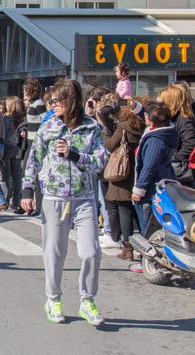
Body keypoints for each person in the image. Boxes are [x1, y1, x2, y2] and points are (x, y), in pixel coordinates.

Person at [21, 79, 108, 327]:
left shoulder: (91, 128)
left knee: (91, 252)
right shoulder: (49, 127)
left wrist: (75, 155)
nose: (54, 105)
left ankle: (87, 300)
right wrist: (27, 190)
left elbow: (101, 162)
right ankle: (53, 299)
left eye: (59, 101)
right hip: (54, 197)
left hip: (84, 198)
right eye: (53, 101)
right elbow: (34, 158)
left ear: (72, 101)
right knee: (54, 253)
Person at [130, 103, 179, 272]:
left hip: (151, 190)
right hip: (159, 186)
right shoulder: (163, 132)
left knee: (148, 227)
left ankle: (149, 261)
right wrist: (136, 107)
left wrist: (139, 188)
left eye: (146, 116)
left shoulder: (156, 140)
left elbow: (149, 167)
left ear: (151, 121)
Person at [103, 103, 145, 261]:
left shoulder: (123, 126)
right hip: (136, 169)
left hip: (122, 170)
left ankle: (127, 247)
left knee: (124, 209)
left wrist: (105, 133)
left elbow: (110, 145)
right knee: (135, 210)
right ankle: (140, 244)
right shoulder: (144, 126)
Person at [156, 85, 195, 186]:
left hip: (178, 173)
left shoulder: (184, 120)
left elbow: (190, 145)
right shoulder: (172, 118)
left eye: (162, 103)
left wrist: (173, 158)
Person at [22, 78, 47, 216]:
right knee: (29, 172)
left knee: (35, 174)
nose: (24, 92)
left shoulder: (38, 104)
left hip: (35, 142)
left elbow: (45, 120)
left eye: (25, 90)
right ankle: (33, 205)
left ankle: (38, 206)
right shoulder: (33, 104)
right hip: (31, 141)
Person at [1, 96, 26, 214]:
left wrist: (1, 149)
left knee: (5, 176)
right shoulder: (22, 119)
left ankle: (5, 201)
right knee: (16, 177)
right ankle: (16, 202)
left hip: (6, 148)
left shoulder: (5, 119)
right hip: (17, 149)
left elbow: (3, 136)